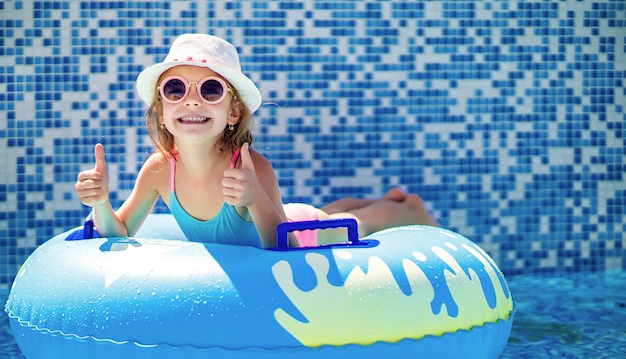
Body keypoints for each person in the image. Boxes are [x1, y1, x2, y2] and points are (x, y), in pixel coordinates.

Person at [75, 34, 438, 249]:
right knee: (324, 209)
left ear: (233, 113)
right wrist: (102, 203)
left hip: (298, 231)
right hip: (283, 211)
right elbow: (119, 232)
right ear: (162, 108)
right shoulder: (158, 169)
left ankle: (407, 209)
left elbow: (285, 245)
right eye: (175, 89)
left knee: (345, 220)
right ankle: (384, 198)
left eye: (211, 90)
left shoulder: (252, 167)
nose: (191, 100)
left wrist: (254, 198)